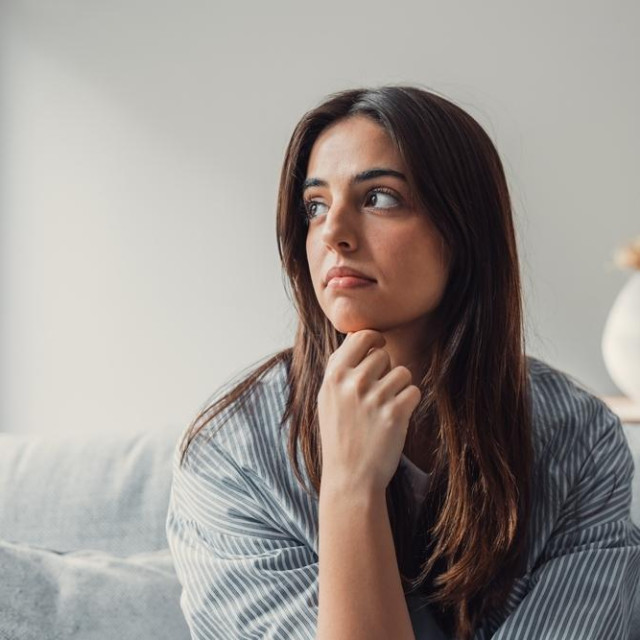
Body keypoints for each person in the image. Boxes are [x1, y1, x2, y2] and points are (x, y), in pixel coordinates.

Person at [165, 85, 640, 639]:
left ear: (464, 231)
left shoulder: (576, 439)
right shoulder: (232, 451)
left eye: (380, 199)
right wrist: (350, 487)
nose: (334, 234)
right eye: (315, 206)